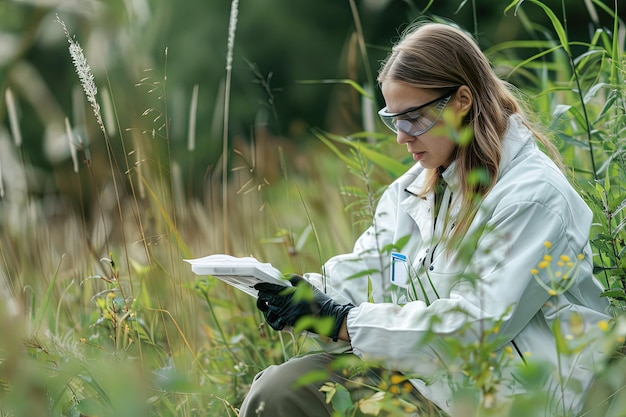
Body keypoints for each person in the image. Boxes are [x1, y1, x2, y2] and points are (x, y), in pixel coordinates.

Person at [238, 21, 612, 417]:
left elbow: (476, 329)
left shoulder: (534, 197)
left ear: (461, 101)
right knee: (279, 392)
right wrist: (301, 294)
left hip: (514, 398)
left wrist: (342, 321)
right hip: (427, 381)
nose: (400, 136)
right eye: (392, 119)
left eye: (412, 118)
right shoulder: (410, 193)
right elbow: (369, 273)